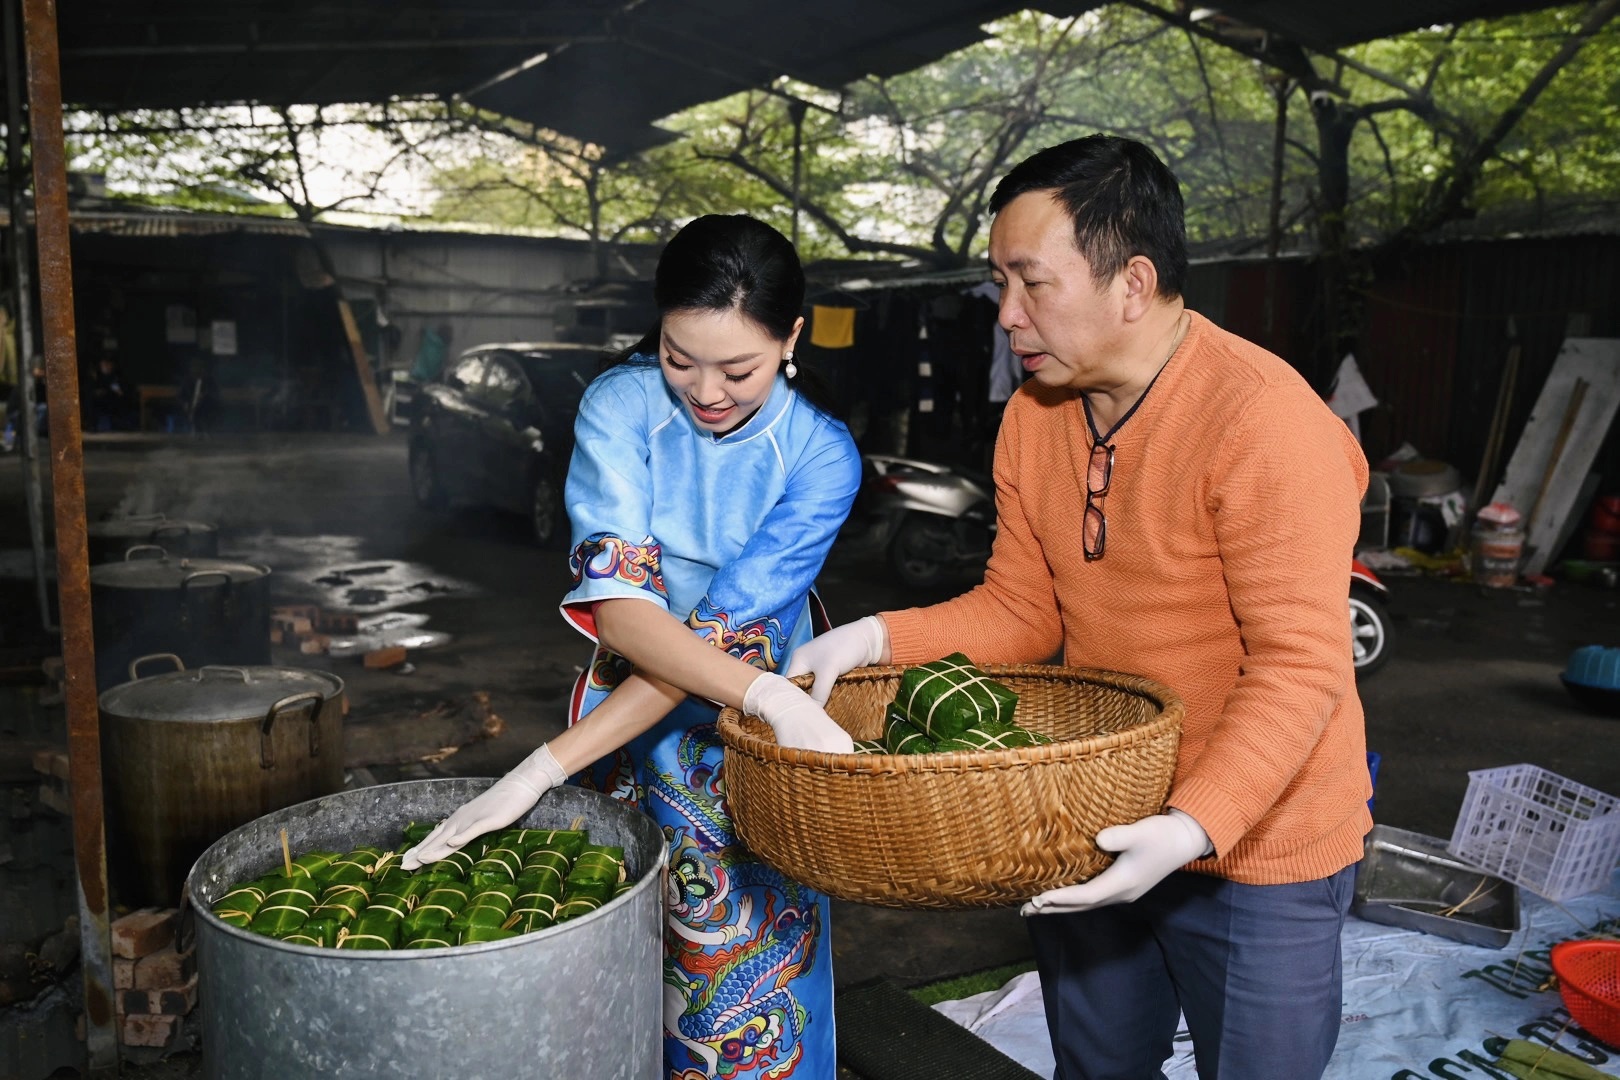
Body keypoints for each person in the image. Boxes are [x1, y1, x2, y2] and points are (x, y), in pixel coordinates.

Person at [787, 135, 1371, 1080]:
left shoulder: (1265, 424)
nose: (1007, 316)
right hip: (1098, 814)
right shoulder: (1037, 414)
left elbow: (1302, 666)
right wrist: (875, 638)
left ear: (1132, 283)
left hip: (1264, 843)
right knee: (1099, 1068)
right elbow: (1025, 609)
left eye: (1032, 283)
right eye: (998, 285)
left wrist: (1194, 826)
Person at [403, 214, 861, 1078]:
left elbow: (717, 638)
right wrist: (549, 768)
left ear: (792, 337)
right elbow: (626, 619)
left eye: (739, 368)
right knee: (609, 955)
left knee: (753, 973)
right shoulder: (619, 405)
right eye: (679, 358)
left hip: (763, 739)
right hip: (628, 719)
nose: (706, 390)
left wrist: (762, 698)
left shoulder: (821, 458)